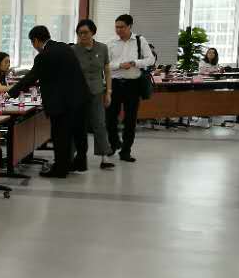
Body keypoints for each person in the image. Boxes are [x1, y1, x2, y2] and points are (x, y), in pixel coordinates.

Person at [8, 26, 88, 179]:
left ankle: (60, 169)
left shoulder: (43, 56)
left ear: (36, 40)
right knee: (78, 133)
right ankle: (79, 163)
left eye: (32, 43)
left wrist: (10, 93)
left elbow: (31, 78)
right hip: (80, 98)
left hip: (61, 103)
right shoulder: (65, 47)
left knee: (60, 135)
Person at [105, 14, 154, 163]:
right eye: (116, 27)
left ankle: (126, 151)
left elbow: (150, 59)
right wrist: (119, 65)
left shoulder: (140, 40)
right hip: (114, 83)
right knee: (110, 118)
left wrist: (134, 63)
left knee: (130, 119)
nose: (118, 30)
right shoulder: (110, 42)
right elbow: (105, 65)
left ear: (130, 26)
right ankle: (114, 143)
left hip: (133, 85)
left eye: (122, 27)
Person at [72, 20, 115, 171]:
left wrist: (108, 92)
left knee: (100, 123)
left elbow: (107, 71)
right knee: (77, 125)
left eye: (85, 32)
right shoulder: (73, 50)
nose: (82, 36)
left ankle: (104, 157)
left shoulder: (102, 48)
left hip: (97, 92)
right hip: (78, 93)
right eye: (79, 33)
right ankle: (71, 156)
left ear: (93, 32)